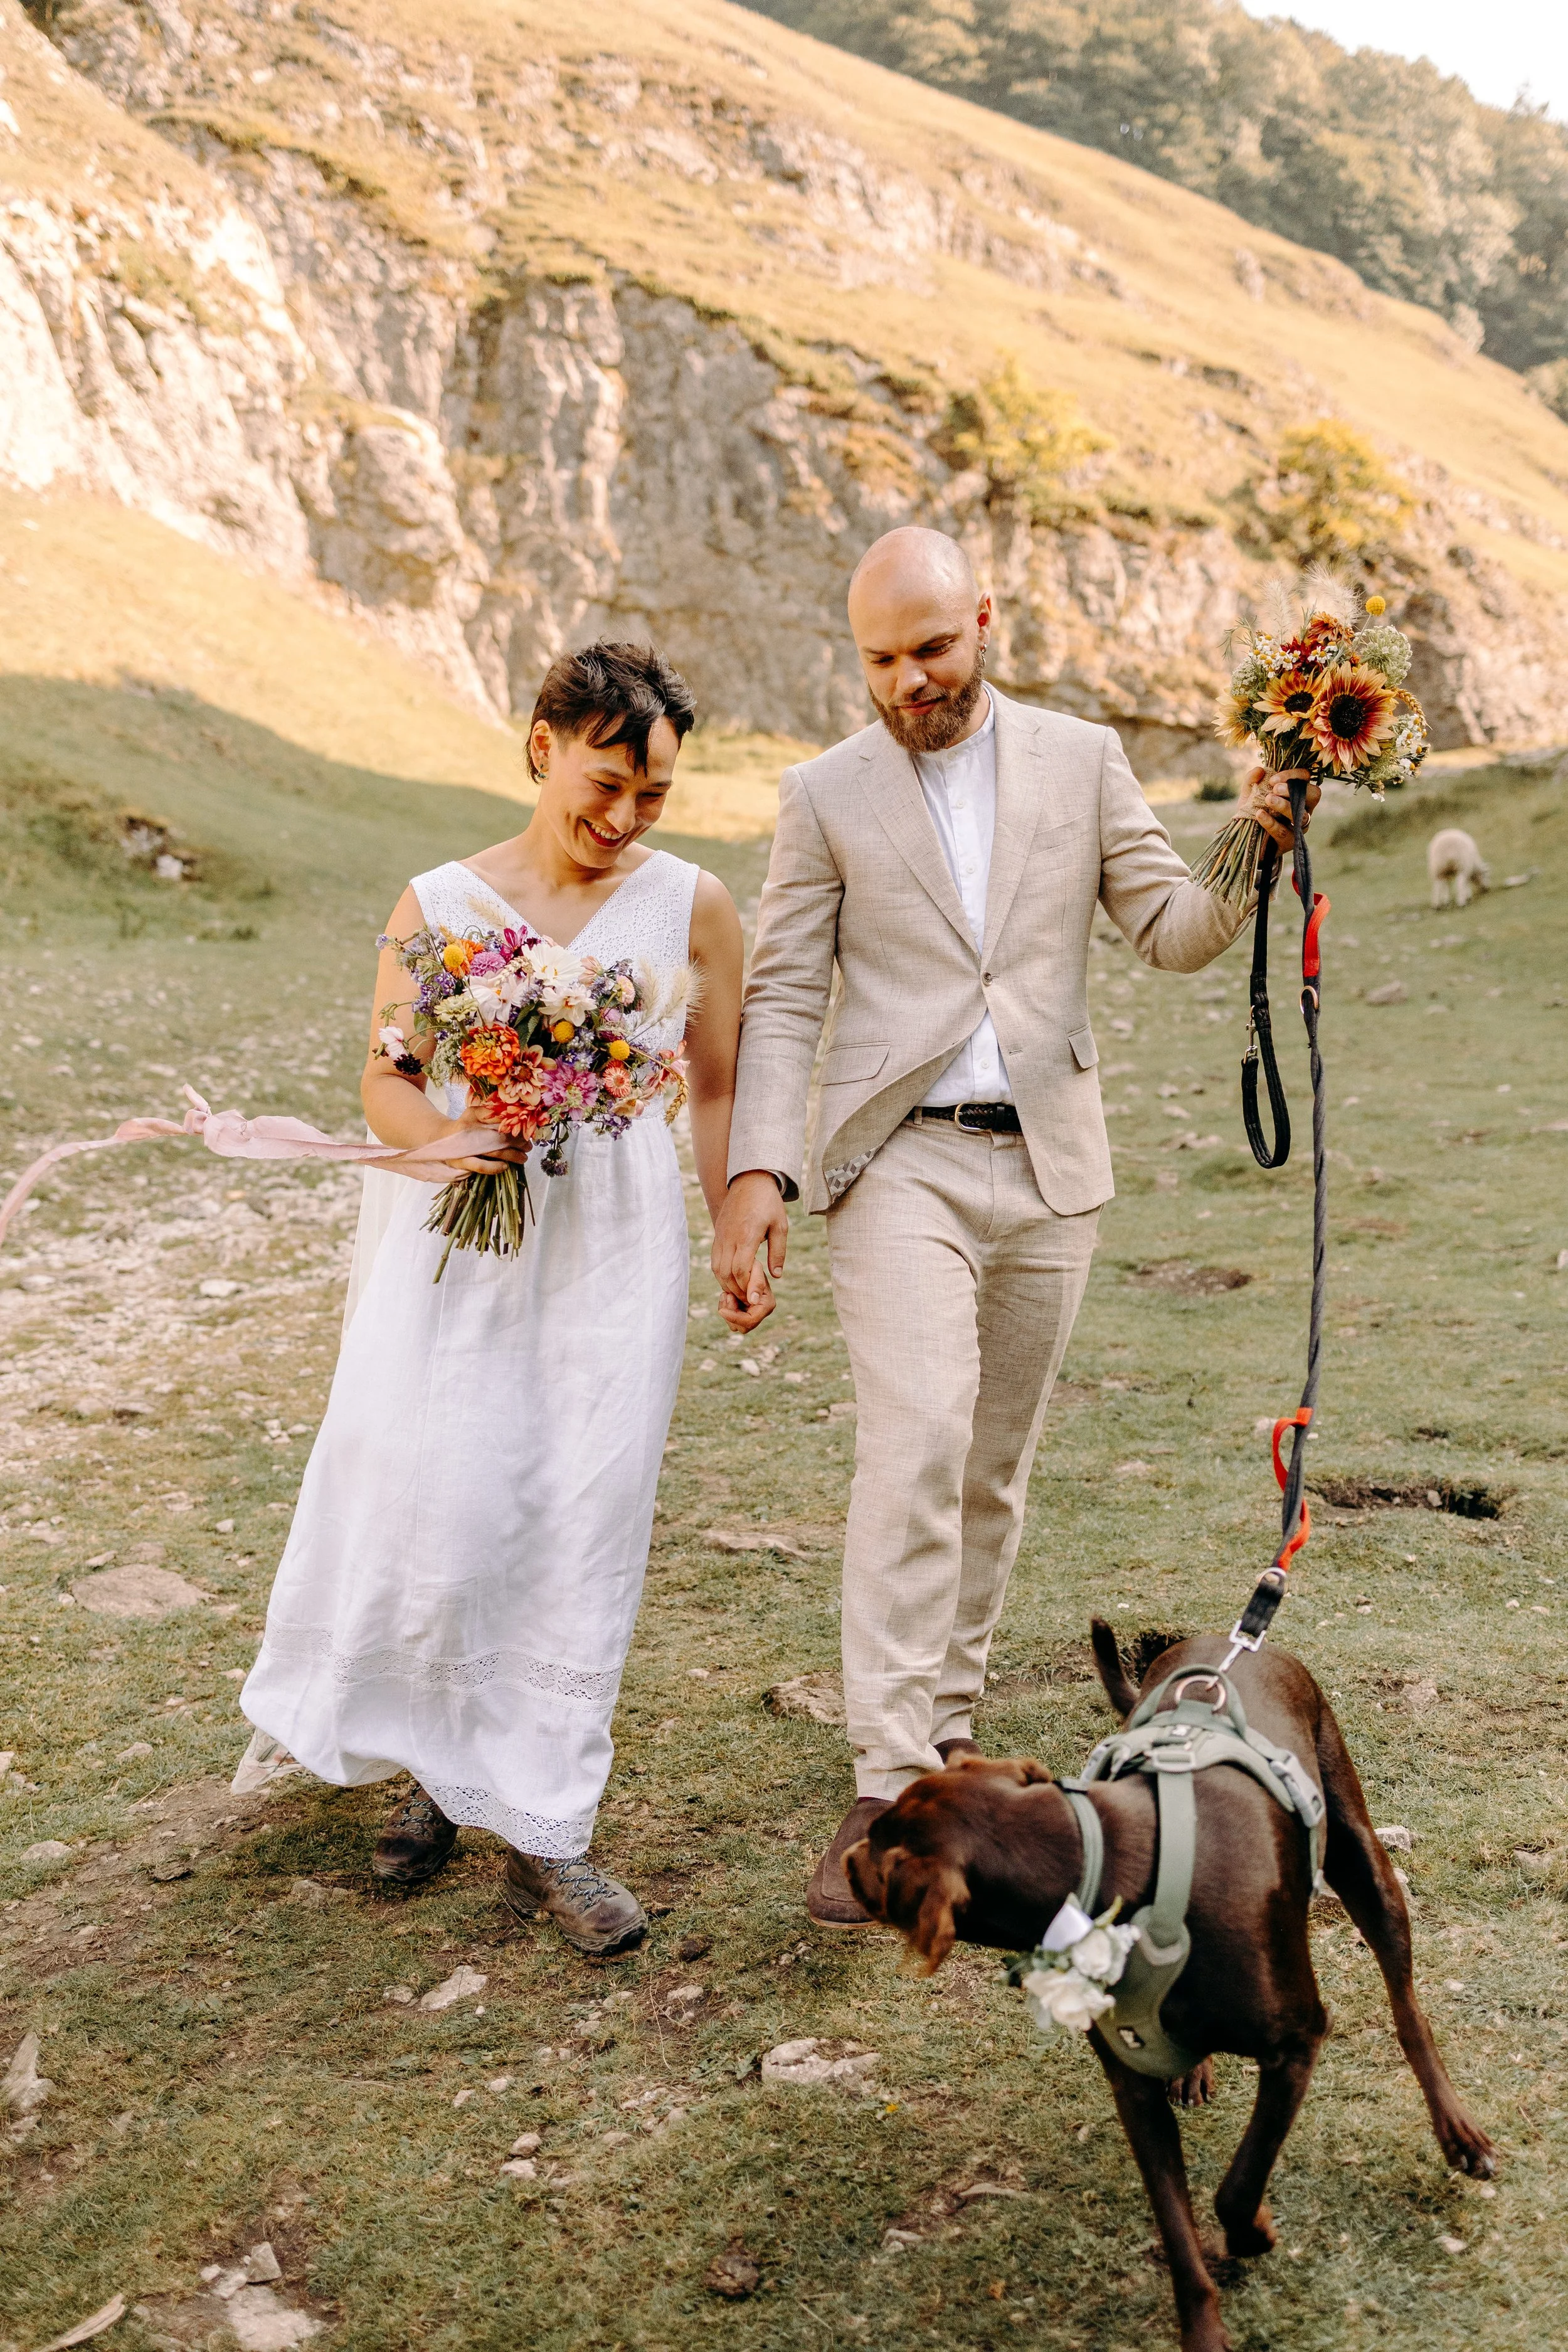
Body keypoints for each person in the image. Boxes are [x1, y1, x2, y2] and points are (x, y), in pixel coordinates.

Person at [711, 527, 1316, 1929]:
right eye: (878, 659)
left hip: (1045, 1168)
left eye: (930, 648)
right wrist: (759, 1175)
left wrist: (1248, 841)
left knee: (989, 1469)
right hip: (896, 1162)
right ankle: (883, 1779)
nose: (907, 680)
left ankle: (952, 1737)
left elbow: (1165, 929)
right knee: (916, 1437)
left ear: (982, 621)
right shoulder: (824, 794)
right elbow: (789, 991)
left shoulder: (1080, 756)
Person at [242, 641, 746, 1957]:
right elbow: (387, 1080)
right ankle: (434, 1764)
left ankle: (550, 1827)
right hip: (464, 1242)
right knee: (450, 1491)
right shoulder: (439, 901)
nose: (625, 817)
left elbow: (711, 1084)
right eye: (606, 779)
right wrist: (449, 1140)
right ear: (541, 743)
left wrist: (742, 1212)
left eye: (653, 795)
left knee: (583, 1504)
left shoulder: (691, 904)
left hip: (616, 1245)